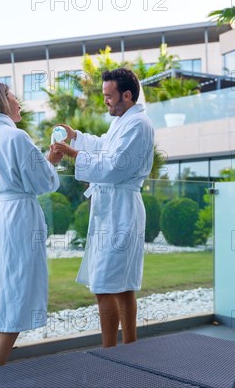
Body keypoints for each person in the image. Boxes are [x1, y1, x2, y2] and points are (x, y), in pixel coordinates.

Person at [53, 68, 154, 347]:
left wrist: (74, 154)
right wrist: (77, 138)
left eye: (109, 96)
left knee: (106, 286)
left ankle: (111, 352)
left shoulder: (138, 125)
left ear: (127, 95)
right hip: (112, 209)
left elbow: (112, 166)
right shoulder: (124, 121)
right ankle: (130, 348)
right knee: (121, 286)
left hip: (120, 209)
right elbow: (105, 148)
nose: (106, 101)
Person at [0, 82, 63, 367]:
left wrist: (44, 162)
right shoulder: (16, 137)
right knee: (17, 290)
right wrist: (51, 163)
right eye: (13, 96)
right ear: (2, 101)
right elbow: (44, 182)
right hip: (17, 219)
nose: (18, 101)